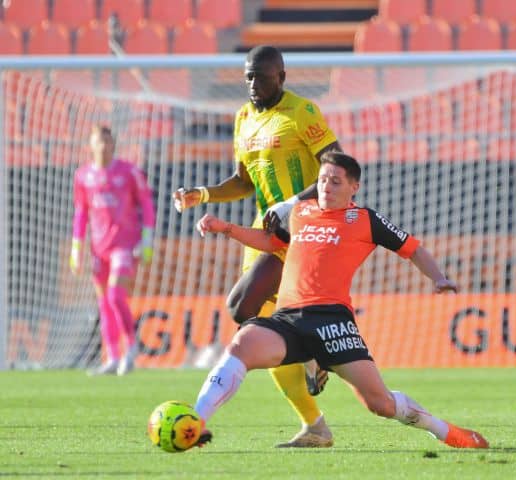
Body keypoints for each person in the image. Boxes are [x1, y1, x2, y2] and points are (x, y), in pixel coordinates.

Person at [192, 152, 489, 450]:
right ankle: (195, 423)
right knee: (241, 345)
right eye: (322, 180)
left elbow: (412, 249)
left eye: (335, 181)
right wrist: (227, 229)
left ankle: (447, 432)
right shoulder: (301, 212)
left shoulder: (365, 219)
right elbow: (271, 243)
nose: (326, 187)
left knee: (381, 404)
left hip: (332, 322)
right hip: (289, 320)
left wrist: (438, 277)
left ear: (353, 187)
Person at [172, 45, 341, 447]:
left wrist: (292, 203)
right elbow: (243, 181)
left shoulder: (303, 113)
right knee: (258, 327)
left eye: (261, 76)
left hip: (303, 228)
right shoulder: (244, 118)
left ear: (281, 77)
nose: (252, 83)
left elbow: (334, 168)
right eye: (248, 76)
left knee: (247, 310)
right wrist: (204, 194)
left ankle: (314, 349)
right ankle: (315, 424)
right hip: (263, 231)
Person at [70, 125, 155, 376]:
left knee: (117, 296)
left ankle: (130, 349)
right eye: (99, 141)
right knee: (104, 302)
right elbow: (81, 212)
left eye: (108, 141)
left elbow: (147, 205)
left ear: (114, 144)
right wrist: (77, 247)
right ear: (91, 145)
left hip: (125, 245)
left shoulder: (129, 172)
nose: (104, 146)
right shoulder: (83, 176)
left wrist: (147, 239)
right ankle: (112, 357)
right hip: (99, 249)